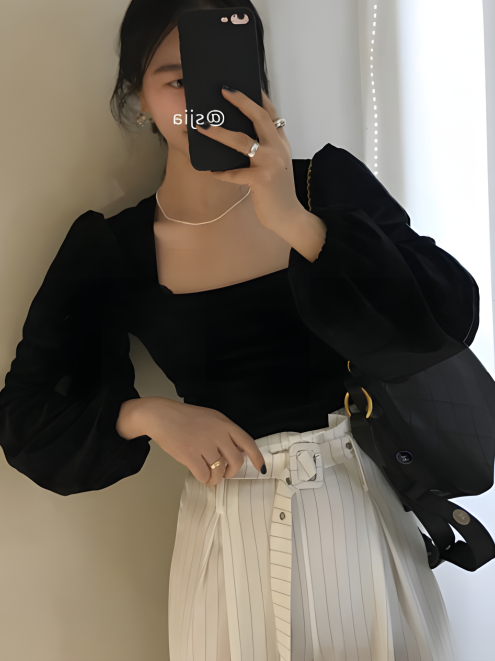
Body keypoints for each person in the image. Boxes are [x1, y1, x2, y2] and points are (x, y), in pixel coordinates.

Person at [0, 1, 478, 659]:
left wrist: (297, 223)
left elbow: (445, 317)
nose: (204, 98)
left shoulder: (324, 185)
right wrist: (148, 415)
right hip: (229, 531)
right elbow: (26, 418)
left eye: (223, 73)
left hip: (360, 506)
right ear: (138, 99)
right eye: (176, 78)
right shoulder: (113, 248)